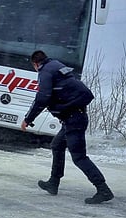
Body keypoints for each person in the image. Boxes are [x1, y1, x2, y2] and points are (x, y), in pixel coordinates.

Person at [20, 50, 114, 204]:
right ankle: (53, 183)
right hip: (73, 117)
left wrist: (28, 119)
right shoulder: (55, 65)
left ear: (35, 64)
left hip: (74, 119)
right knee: (57, 145)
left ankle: (103, 189)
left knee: (79, 157)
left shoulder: (45, 71)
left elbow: (42, 98)